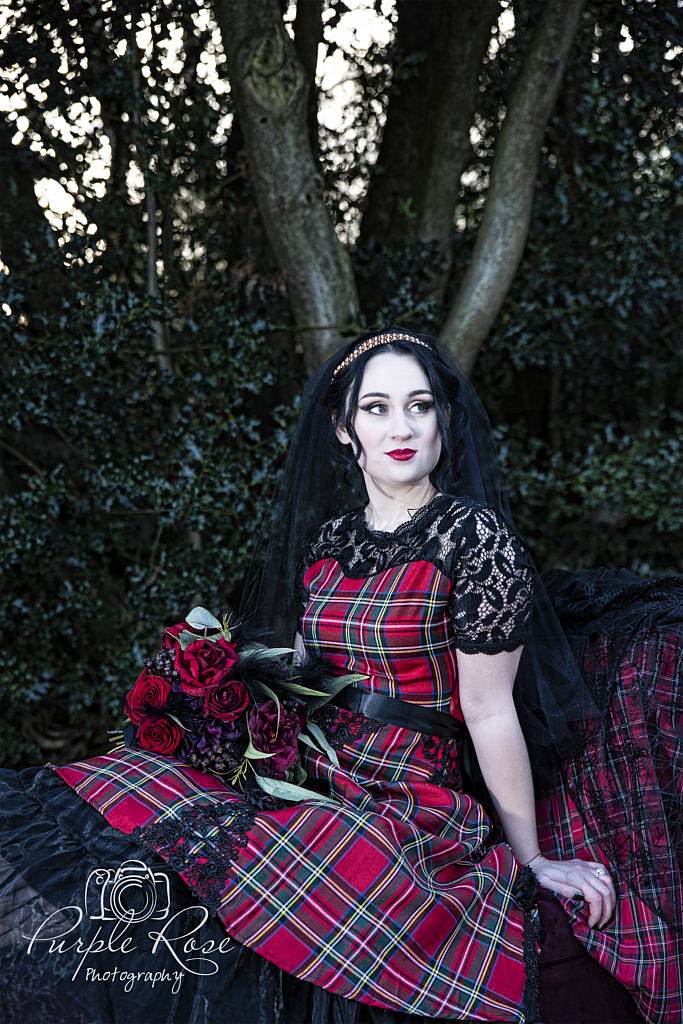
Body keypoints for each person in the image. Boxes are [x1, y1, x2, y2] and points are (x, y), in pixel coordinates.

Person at [0, 328, 680, 1024]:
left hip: (406, 793)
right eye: (376, 408)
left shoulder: (474, 541)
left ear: (444, 418)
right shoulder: (330, 541)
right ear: (342, 428)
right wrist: (219, 720)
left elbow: (487, 709)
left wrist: (532, 859)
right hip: (308, 772)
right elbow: (299, 676)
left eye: (419, 405)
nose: (401, 427)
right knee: (127, 818)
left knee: (307, 871)